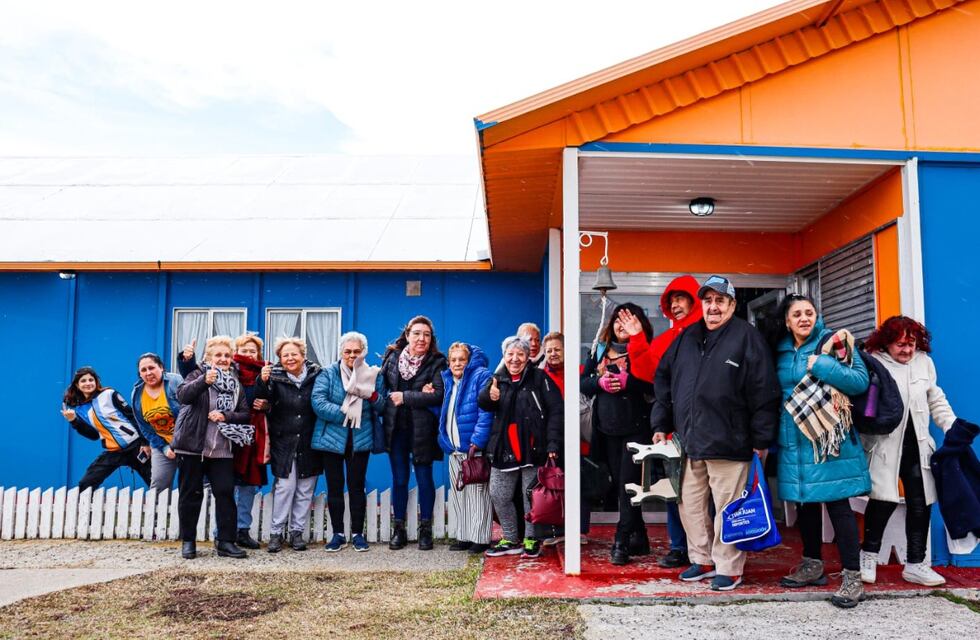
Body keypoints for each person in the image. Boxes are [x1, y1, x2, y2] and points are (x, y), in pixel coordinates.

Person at [651, 275, 781, 591]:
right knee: (690, 505)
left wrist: (761, 439)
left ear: (732, 305)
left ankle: (729, 566)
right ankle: (703, 559)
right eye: (708, 300)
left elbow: (765, 392)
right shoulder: (686, 338)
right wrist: (660, 424)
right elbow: (663, 379)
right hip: (689, 441)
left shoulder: (747, 337)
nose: (713, 307)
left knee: (729, 509)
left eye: (719, 301)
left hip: (731, 442)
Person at [771, 294, 871, 608]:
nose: (804, 318)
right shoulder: (780, 351)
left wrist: (824, 365)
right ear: (787, 321)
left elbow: (859, 381)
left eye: (809, 312)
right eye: (797, 314)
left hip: (828, 440)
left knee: (838, 506)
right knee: (806, 505)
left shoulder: (834, 343)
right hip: (793, 440)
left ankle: (852, 578)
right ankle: (812, 565)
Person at [860, 316, 956, 587]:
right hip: (886, 445)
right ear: (887, 343)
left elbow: (936, 398)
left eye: (911, 344)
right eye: (900, 344)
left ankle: (915, 564)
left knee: (920, 503)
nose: (907, 350)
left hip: (918, 445)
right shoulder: (873, 362)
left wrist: (952, 427)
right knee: (883, 500)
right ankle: (867, 555)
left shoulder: (924, 363)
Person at [621, 275, 701, 568]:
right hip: (675, 428)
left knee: (708, 496)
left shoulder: (713, 333)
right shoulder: (667, 339)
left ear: (695, 301)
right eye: (671, 301)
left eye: (682, 298)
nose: (676, 305)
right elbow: (647, 374)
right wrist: (637, 338)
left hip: (709, 427)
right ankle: (679, 547)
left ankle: (708, 550)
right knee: (673, 490)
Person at [178, 335, 272, 550]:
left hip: (222, 449)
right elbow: (183, 396)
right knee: (191, 494)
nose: (223, 359)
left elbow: (244, 414)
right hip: (193, 446)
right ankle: (188, 541)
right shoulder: (197, 374)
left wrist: (225, 415)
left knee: (225, 493)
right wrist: (204, 381)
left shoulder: (235, 383)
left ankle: (226, 541)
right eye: (218, 355)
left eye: (227, 355)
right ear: (208, 357)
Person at [582, 303, 656, 566]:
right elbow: (582, 383)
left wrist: (629, 382)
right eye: (617, 319)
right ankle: (641, 537)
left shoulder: (645, 349)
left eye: (628, 319)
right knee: (622, 485)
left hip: (635, 429)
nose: (621, 324)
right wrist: (599, 383)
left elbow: (654, 384)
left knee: (628, 486)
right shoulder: (599, 350)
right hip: (606, 430)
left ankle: (621, 541)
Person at [479, 336, 562, 558]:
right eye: (510, 354)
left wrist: (553, 442)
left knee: (531, 496)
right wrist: (489, 395)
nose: (515, 359)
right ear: (504, 356)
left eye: (520, 354)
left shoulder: (539, 377)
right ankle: (510, 538)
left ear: (528, 357)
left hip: (533, 447)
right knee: (499, 494)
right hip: (504, 446)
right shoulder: (497, 379)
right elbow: (483, 402)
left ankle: (531, 539)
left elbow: (556, 410)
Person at [311, 331, 385, 553]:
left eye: (357, 351)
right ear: (341, 352)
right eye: (348, 351)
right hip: (331, 439)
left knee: (356, 487)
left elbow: (381, 406)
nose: (352, 355)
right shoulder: (327, 373)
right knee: (334, 487)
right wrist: (345, 412)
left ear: (364, 352)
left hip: (360, 439)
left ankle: (357, 534)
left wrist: (371, 396)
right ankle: (337, 534)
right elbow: (318, 402)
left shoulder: (373, 375)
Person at [381, 315, 446, 550]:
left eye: (427, 335)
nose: (421, 338)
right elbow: (384, 390)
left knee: (424, 479)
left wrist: (406, 397)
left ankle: (425, 530)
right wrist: (421, 394)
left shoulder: (438, 362)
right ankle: (398, 528)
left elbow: (438, 394)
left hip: (423, 431)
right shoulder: (392, 358)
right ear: (407, 335)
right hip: (396, 429)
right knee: (399, 480)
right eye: (417, 333)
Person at [257, 337, 323, 553]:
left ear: (303, 356)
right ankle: (276, 533)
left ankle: (297, 532)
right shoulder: (273, 377)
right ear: (280, 359)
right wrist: (263, 382)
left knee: (305, 488)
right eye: (285, 355)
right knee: (285, 487)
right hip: (283, 440)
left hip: (310, 439)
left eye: (294, 354)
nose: (290, 358)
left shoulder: (316, 376)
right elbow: (263, 399)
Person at [438, 342, 494, 555]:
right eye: (453, 360)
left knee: (477, 495)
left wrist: (478, 440)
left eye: (462, 359)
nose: (457, 363)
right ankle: (464, 536)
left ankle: (480, 538)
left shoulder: (480, 376)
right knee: (459, 495)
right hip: (454, 449)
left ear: (468, 360)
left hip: (472, 449)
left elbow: (485, 411)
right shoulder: (450, 381)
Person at [61, 367, 151, 491]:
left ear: (96, 382)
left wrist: (145, 442)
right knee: (86, 484)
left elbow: (132, 416)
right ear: (77, 384)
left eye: (91, 380)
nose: (88, 383)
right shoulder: (80, 409)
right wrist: (74, 421)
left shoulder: (109, 394)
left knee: (155, 482)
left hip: (135, 446)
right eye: (83, 381)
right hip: (113, 451)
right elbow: (93, 435)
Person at [131, 353, 183, 493]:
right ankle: (155, 516)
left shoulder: (175, 382)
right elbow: (144, 427)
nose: (148, 373)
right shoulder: (137, 393)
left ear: (161, 367)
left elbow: (190, 413)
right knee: (159, 486)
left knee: (190, 484)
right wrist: (164, 447)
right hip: (161, 443)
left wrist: (179, 443)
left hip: (186, 443)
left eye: (151, 368)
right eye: (143, 370)